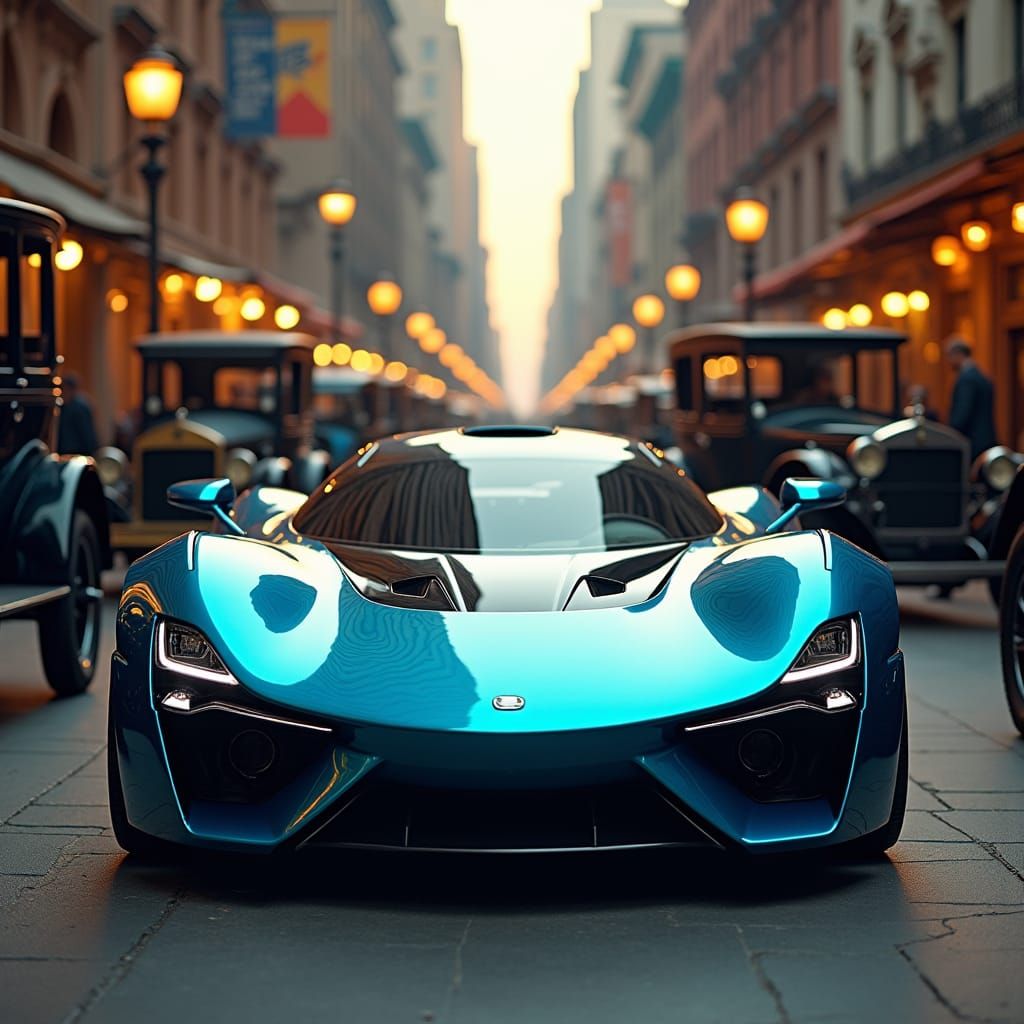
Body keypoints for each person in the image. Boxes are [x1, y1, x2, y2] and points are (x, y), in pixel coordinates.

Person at [944, 337, 997, 458]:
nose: (948, 361)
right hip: (986, 438)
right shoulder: (981, 375)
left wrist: (950, 434)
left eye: (949, 356)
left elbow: (963, 413)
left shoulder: (967, 379)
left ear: (958, 354)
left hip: (971, 441)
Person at [56, 373, 98, 456]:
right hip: (63, 453)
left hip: (79, 453)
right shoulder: (61, 406)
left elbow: (87, 432)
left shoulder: (80, 408)